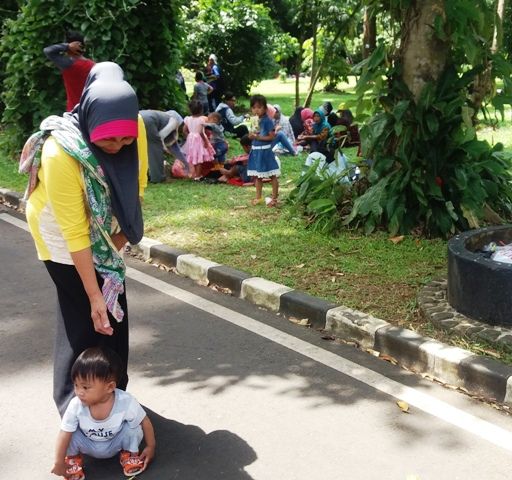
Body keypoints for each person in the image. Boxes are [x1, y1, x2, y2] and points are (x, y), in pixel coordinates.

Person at [20, 62, 148, 417]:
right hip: (59, 232)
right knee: (83, 314)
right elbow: (74, 231)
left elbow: (135, 189)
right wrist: (94, 294)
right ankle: (73, 409)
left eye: (124, 140)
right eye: (108, 139)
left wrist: (113, 247)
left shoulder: (132, 125)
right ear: (91, 120)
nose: (117, 145)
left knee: (114, 315)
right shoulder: (61, 152)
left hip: (103, 223)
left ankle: (115, 397)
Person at [51, 347, 156, 479]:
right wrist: (59, 462)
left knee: (134, 428)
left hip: (115, 441)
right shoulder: (75, 405)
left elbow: (145, 421)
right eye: (76, 385)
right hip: (87, 442)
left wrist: (151, 446)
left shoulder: (125, 401)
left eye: (85, 387)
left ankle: (129, 455)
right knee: (70, 432)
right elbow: (64, 433)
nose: (79, 392)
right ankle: (73, 460)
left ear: (110, 387)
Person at [43, 30, 95, 112]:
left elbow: (48, 51)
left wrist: (67, 46)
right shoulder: (93, 65)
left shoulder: (68, 64)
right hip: (92, 109)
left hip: (74, 111)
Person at [247, 94, 280, 207]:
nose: (256, 110)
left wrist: (258, 137)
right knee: (258, 176)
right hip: (256, 150)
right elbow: (252, 134)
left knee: (273, 175)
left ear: (265, 108)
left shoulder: (267, 121)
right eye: (254, 107)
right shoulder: (254, 120)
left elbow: (272, 137)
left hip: (265, 151)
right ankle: (258, 197)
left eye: (259, 107)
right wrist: (251, 136)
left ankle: (274, 198)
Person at [140, 109, 186, 183]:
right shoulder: (175, 120)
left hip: (137, 117)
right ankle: (158, 178)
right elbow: (161, 137)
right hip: (147, 120)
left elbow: (174, 148)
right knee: (155, 148)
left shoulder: (162, 117)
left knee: (139, 148)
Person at [181, 99, 215, 179]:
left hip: (191, 138)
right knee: (199, 157)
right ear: (201, 110)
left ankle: (195, 173)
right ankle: (198, 175)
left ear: (190, 110)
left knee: (194, 156)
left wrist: (189, 137)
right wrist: (206, 141)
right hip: (199, 139)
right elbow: (201, 132)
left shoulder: (188, 119)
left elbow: (184, 130)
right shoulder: (202, 119)